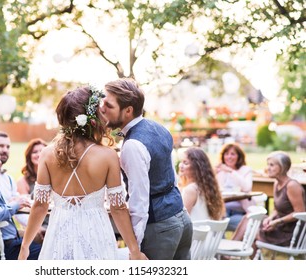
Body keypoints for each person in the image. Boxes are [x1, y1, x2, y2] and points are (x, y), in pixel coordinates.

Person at [19, 85, 147, 260]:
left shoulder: (47, 154)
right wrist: (134, 250)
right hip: (95, 233)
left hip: (59, 233)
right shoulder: (108, 155)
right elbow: (118, 208)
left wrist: (25, 246)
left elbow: (40, 206)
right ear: (92, 117)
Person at [101, 78, 192, 260]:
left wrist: (135, 247)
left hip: (159, 228)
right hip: (182, 219)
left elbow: (139, 200)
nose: (102, 109)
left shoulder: (132, 146)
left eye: (109, 106)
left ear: (128, 111)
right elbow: (171, 178)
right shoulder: (159, 128)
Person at [232, 151, 306, 254]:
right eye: (268, 165)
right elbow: (277, 208)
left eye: (272, 165)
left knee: (252, 231)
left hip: (289, 232)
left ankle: (229, 253)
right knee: (250, 217)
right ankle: (230, 251)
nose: (268, 168)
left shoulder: (292, 186)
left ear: (282, 167)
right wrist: (270, 218)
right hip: (278, 225)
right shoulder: (277, 183)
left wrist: (277, 222)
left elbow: (300, 213)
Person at [178, 147, 225, 221]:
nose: (181, 165)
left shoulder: (190, 190)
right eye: (181, 162)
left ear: (196, 167)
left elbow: (183, 221)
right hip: (207, 231)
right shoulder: (207, 187)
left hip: (196, 231)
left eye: (185, 163)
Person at [215, 142, 254, 231]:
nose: (229, 157)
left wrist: (231, 171)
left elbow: (247, 188)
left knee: (217, 224)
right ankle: (219, 244)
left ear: (239, 156)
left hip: (240, 211)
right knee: (215, 221)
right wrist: (213, 173)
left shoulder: (245, 170)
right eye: (227, 154)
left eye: (233, 154)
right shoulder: (220, 171)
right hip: (223, 209)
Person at [17, 138, 49, 229]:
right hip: (35, 226)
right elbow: (24, 209)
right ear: (29, 156)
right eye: (35, 152)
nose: (39, 154)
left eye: (42, 151)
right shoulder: (22, 182)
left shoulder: (55, 178)